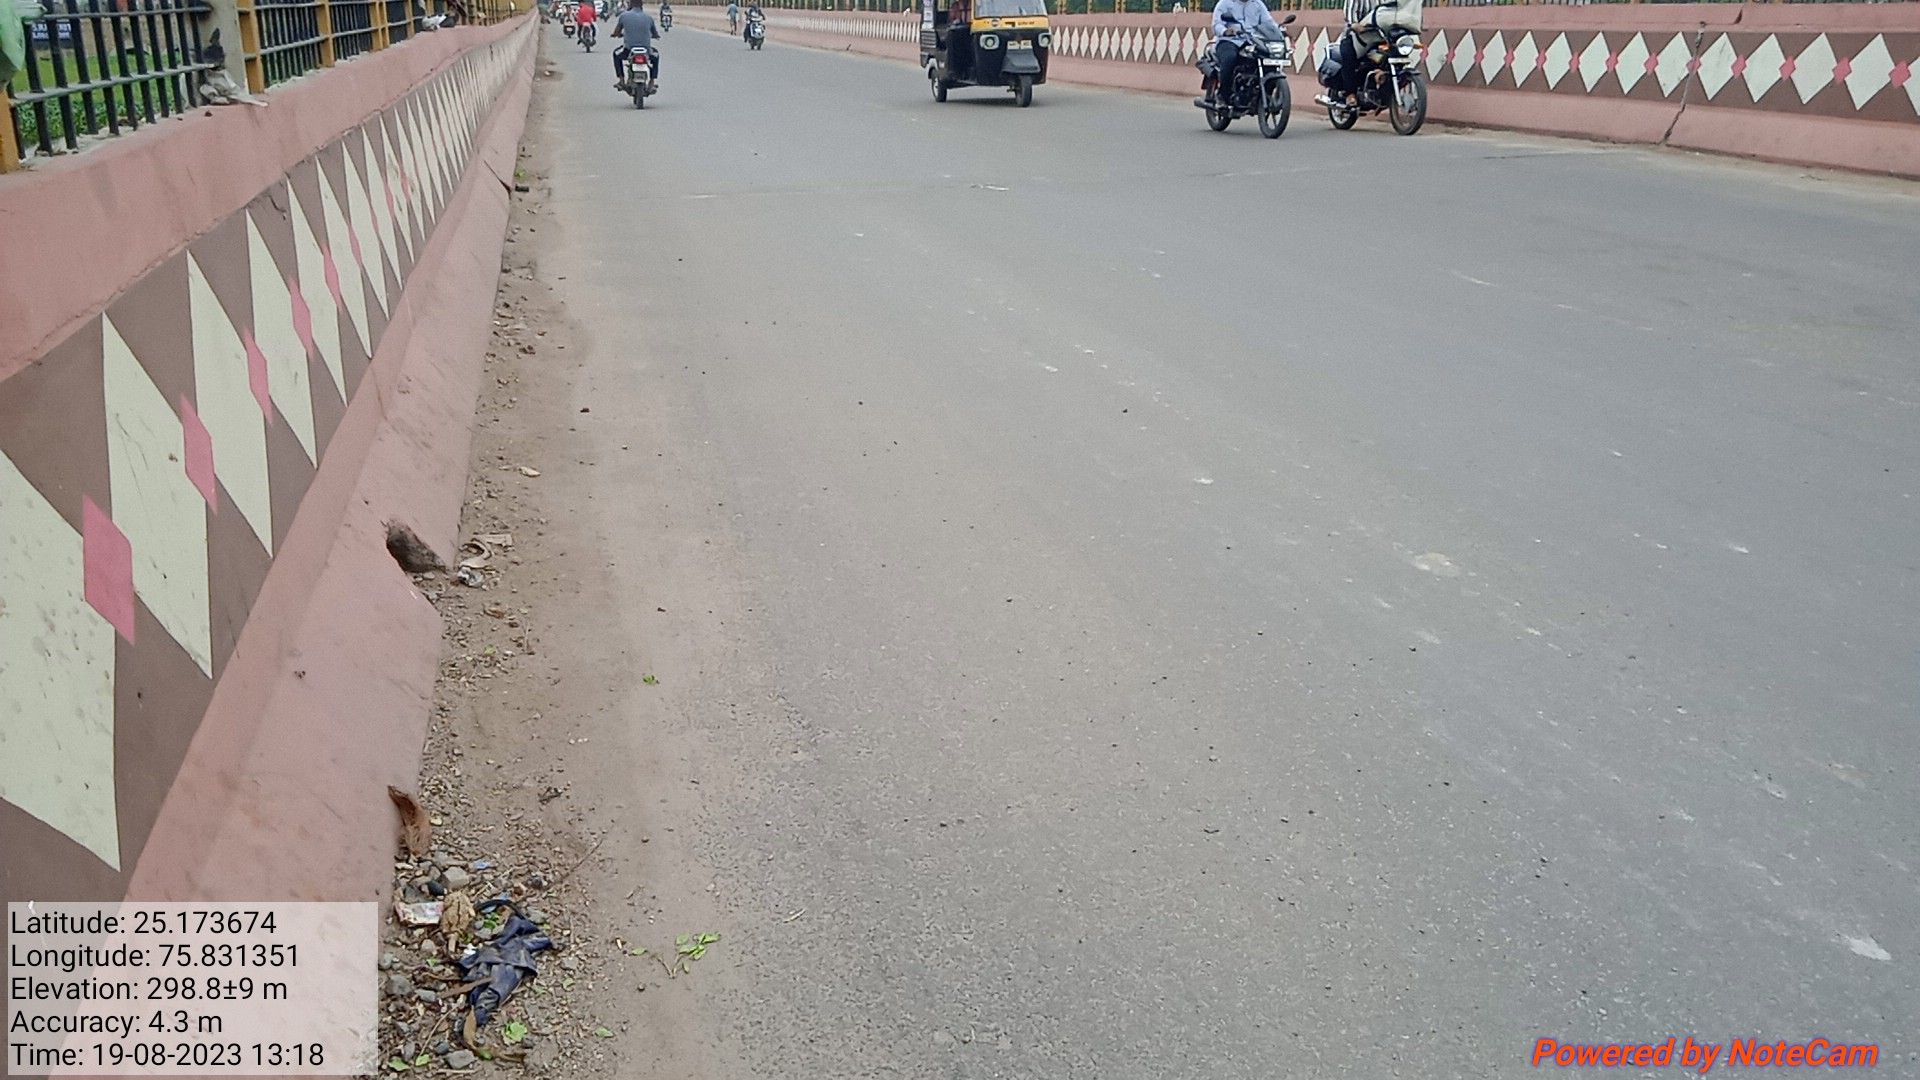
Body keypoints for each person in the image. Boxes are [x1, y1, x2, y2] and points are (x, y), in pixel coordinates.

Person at [1199, 0, 1280, 109]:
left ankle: (1260, 95)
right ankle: (1223, 95)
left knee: (1267, 60)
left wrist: (1280, 31)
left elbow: (1268, 23)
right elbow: (1216, 24)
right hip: (1229, 41)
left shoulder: (1257, 4)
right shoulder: (1225, 3)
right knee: (1230, 58)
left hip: (1252, 42)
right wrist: (1225, 31)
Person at [613, 0, 660, 89]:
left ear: (630, 4)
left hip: (628, 50)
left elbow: (617, 31)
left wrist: (616, 35)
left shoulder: (624, 16)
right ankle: (652, 81)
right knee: (656, 56)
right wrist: (655, 36)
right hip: (646, 50)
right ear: (641, 5)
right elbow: (655, 33)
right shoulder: (649, 18)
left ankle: (621, 80)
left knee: (616, 54)